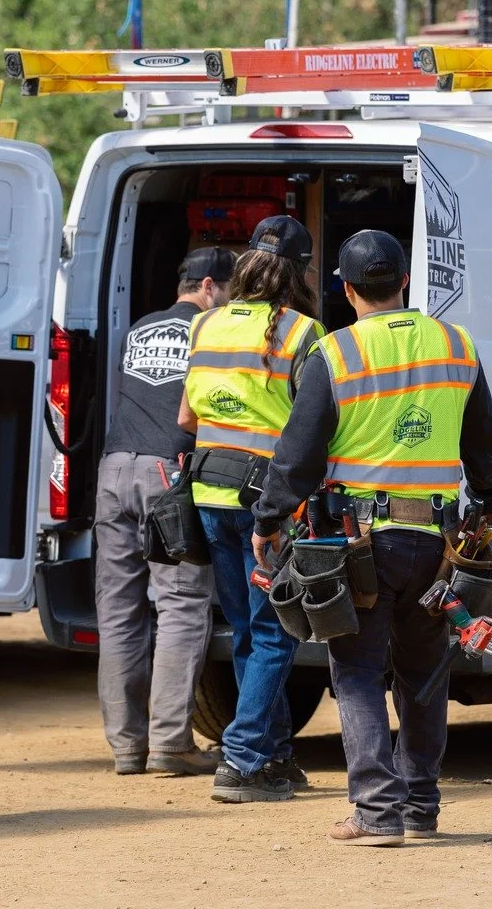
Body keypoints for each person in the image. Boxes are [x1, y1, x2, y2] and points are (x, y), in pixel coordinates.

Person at [251, 229, 492, 846]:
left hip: (361, 543)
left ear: (345, 289)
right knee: (424, 674)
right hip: (439, 544)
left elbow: (298, 454)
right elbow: (484, 441)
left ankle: (375, 811)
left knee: (358, 671)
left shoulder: (336, 353)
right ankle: (420, 807)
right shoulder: (456, 344)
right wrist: (490, 500)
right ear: (404, 282)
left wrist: (269, 519)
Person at [177, 215, 323, 803]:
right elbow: (312, 429)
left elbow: (186, 419)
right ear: (300, 273)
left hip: (209, 491)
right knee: (276, 633)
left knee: (247, 629)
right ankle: (241, 760)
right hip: (270, 504)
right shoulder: (303, 332)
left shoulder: (205, 323)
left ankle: (273, 753)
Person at [95, 246, 235, 776]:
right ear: (209, 287)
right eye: (229, 292)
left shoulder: (139, 328)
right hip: (165, 473)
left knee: (118, 610)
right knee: (180, 603)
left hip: (114, 469)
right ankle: (170, 745)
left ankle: (126, 747)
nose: (232, 303)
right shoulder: (211, 330)